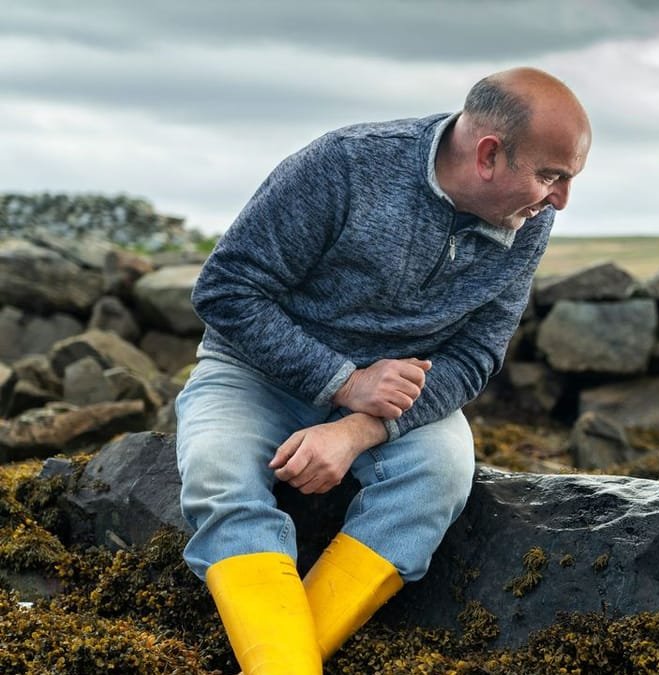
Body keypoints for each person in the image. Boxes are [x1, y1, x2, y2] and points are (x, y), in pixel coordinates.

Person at [175, 67, 591, 674]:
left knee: (442, 472)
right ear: (489, 154)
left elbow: (476, 356)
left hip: (397, 399)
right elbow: (226, 291)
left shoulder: (530, 217)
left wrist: (357, 427)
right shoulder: (343, 165)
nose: (559, 200)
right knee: (217, 473)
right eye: (551, 176)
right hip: (253, 375)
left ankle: (283, 662)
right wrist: (344, 382)